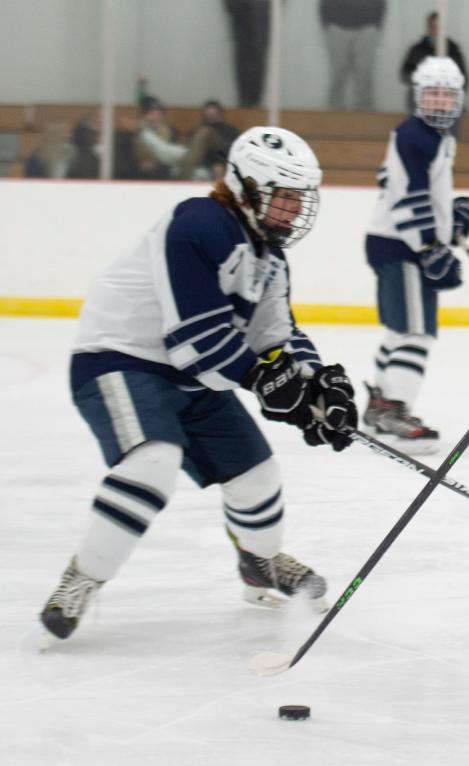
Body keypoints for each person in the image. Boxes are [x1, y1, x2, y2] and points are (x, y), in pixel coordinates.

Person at [38, 126, 359, 644]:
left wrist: (319, 389)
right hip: (121, 362)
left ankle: (259, 564)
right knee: (152, 463)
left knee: (257, 476)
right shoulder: (198, 224)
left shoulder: (269, 257)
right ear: (248, 187)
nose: (295, 210)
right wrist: (264, 379)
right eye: (285, 197)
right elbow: (194, 336)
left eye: (301, 198)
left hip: (192, 378)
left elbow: (277, 334)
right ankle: (82, 579)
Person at [363, 57, 469, 454]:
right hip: (403, 246)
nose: (440, 102)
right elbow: (408, 195)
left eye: (447, 94)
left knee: (399, 330)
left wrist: (449, 220)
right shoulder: (415, 135)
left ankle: (378, 409)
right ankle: (393, 413)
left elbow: (388, 179)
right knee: (416, 332)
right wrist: (429, 244)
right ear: (418, 96)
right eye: (433, 93)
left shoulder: (429, 137)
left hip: (398, 243)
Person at [319, 0, 386, 111]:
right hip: (337, 26)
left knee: (365, 72)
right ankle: (334, 109)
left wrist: (376, 24)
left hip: (367, 27)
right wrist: (326, 23)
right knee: (337, 71)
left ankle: (365, 109)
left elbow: (381, 3)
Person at [400, 11, 469, 112]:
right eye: (433, 26)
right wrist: (422, 78)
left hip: (448, 104)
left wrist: (447, 90)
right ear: (428, 28)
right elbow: (404, 74)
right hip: (421, 102)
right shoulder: (417, 50)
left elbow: (464, 79)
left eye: (439, 27)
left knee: (454, 110)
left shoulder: (453, 50)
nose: (436, 30)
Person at [178, 100, 242, 180]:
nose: (211, 117)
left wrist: (219, 162)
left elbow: (234, 149)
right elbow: (191, 148)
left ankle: (183, 178)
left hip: (221, 160)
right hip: (203, 160)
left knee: (205, 132)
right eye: (208, 115)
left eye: (214, 114)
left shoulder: (230, 130)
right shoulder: (197, 130)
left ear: (221, 114)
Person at [223, 0, 271, 107]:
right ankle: (245, 98)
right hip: (239, 5)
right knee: (242, 52)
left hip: (262, 6)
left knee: (258, 50)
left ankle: (254, 98)